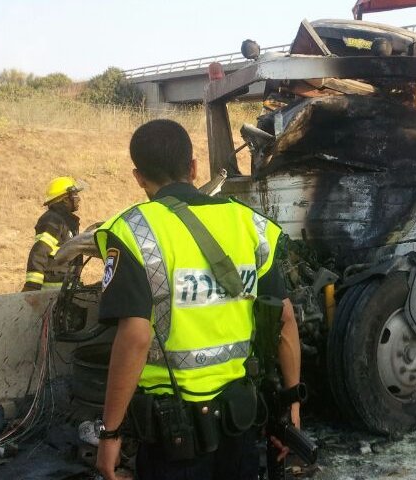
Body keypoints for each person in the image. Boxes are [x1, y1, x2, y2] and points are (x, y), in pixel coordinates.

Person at [94, 119, 301, 480]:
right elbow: (284, 319)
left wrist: (110, 433)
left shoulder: (132, 232)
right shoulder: (248, 224)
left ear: (139, 177)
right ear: (192, 168)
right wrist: (292, 405)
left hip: (174, 438)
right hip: (240, 424)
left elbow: (136, 336)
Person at [22, 176, 83, 291]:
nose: (78, 199)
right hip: (50, 295)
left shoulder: (67, 222)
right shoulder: (52, 220)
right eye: (75, 195)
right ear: (65, 199)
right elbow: (39, 252)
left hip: (64, 291)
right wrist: (32, 287)